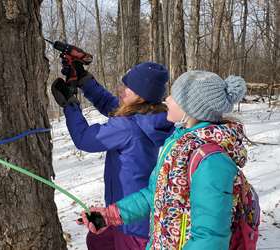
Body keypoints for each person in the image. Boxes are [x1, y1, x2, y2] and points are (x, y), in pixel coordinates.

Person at [82, 70, 249, 250]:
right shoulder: (179, 143)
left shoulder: (210, 161)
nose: (167, 99)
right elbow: (156, 193)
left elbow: (210, 238)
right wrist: (110, 215)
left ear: (191, 108)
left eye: (174, 97)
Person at [51, 62, 174, 250]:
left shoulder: (129, 127)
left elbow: (85, 139)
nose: (122, 90)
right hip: (129, 212)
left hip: (130, 222)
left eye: (128, 88)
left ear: (142, 96)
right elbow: (110, 104)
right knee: (96, 241)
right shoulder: (148, 115)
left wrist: (70, 104)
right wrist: (85, 80)